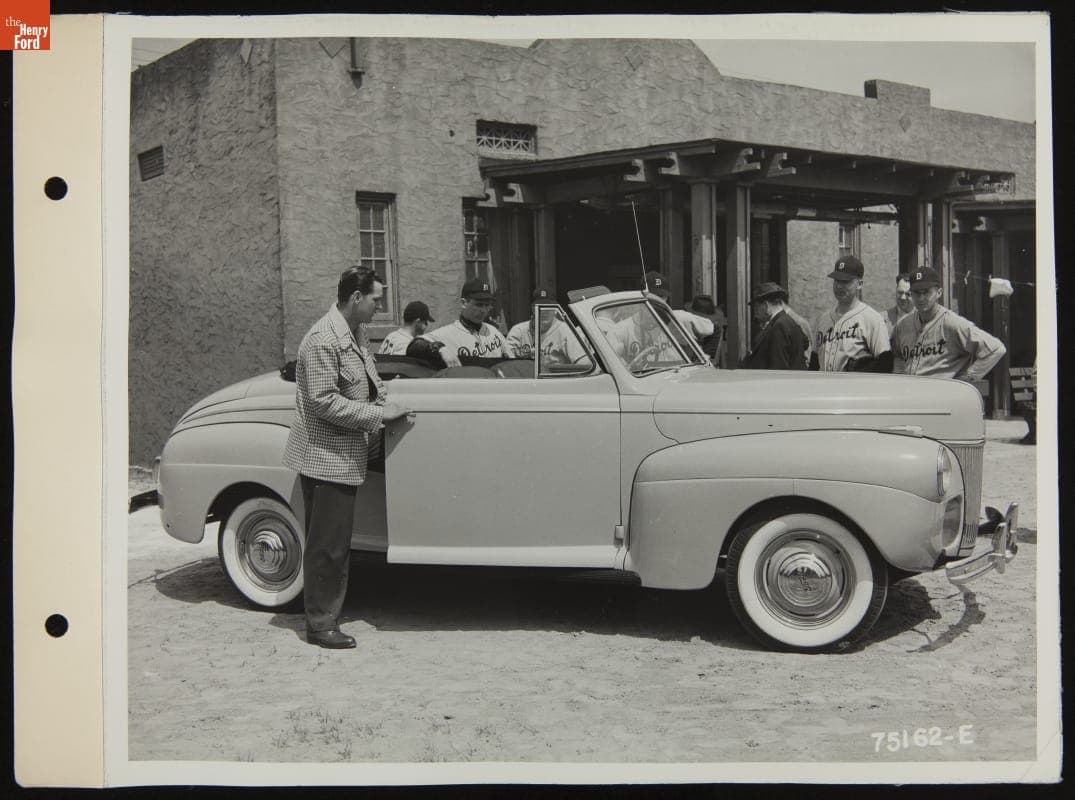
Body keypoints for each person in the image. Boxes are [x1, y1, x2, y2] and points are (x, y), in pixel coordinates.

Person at [283, 266, 412, 649]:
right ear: (356, 298)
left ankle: (326, 612)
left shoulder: (353, 333)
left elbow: (370, 382)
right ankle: (321, 624)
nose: (380, 307)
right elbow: (323, 402)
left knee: (335, 541)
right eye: (376, 299)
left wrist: (390, 404)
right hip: (327, 456)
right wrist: (379, 415)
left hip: (345, 450)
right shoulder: (324, 339)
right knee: (329, 545)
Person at [891, 266, 1007, 380]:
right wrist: (900, 378)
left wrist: (966, 379)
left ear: (939, 292)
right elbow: (898, 355)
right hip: (912, 393)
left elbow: (996, 349)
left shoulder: (953, 323)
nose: (921, 298)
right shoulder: (903, 325)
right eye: (916, 293)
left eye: (926, 292)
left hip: (941, 394)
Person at [811, 255, 892, 372]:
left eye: (845, 281)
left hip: (854, 388)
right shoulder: (823, 320)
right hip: (825, 387)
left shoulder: (872, 319)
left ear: (860, 284)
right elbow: (814, 363)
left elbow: (885, 364)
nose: (839, 286)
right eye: (837, 280)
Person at [422, 278, 510, 367]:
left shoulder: (493, 331)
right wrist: (439, 347)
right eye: (479, 304)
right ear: (464, 303)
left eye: (487, 305)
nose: (483, 310)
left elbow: (512, 361)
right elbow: (415, 344)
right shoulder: (447, 334)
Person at [742, 282, 808, 370]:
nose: (755, 312)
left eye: (756, 307)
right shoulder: (787, 321)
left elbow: (778, 368)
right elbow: (805, 342)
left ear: (766, 306)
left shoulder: (779, 326)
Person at [505, 288, 553, 358]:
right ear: (533, 309)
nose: (543, 310)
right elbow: (507, 354)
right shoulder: (518, 330)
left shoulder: (559, 330)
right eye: (539, 306)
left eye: (546, 307)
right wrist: (529, 352)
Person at [884, 272, 915, 337]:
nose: (903, 297)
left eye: (908, 294)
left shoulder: (923, 318)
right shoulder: (882, 319)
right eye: (900, 292)